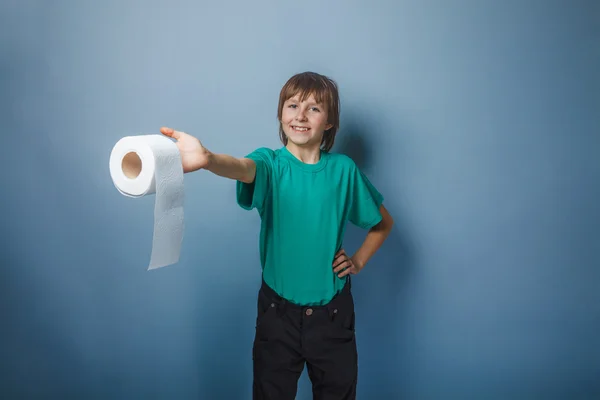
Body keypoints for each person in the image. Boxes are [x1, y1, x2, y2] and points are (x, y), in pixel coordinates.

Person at [160, 71, 394, 400]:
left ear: (329, 122)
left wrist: (357, 260)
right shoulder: (269, 164)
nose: (300, 115)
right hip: (277, 316)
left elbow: (382, 222)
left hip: (332, 316)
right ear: (281, 114)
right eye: (292, 105)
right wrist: (209, 160)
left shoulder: (343, 171)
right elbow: (242, 167)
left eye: (314, 108)